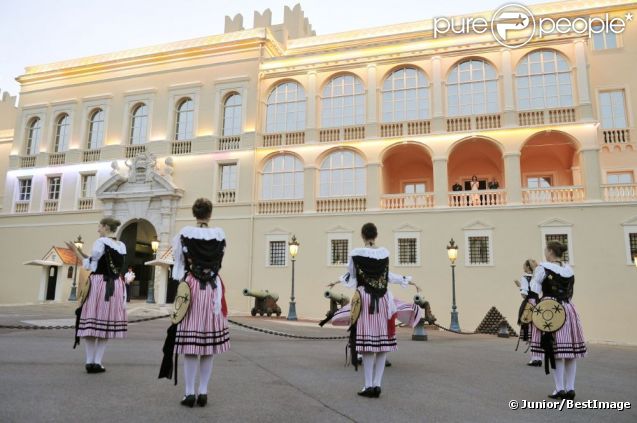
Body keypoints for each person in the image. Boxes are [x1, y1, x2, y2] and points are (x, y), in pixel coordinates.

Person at [336, 223, 417, 398]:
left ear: (362, 235)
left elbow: (352, 275)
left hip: (364, 298)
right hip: (383, 298)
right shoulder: (385, 254)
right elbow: (386, 276)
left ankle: (368, 385)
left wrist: (341, 280)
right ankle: (378, 385)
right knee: (382, 344)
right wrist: (405, 280)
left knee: (366, 346)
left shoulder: (355, 254)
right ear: (376, 235)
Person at [163, 198, 230, 408]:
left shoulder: (184, 234)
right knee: (208, 345)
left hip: (191, 287)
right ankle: (203, 392)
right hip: (212, 288)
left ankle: (189, 392)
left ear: (195, 213)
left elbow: (178, 267)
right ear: (209, 214)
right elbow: (219, 263)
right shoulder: (219, 235)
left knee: (191, 345)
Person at [66, 217, 127, 374]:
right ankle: (97, 362)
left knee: (92, 323)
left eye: (99, 226)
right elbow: (98, 261)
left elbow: (90, 265)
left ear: (106, 227)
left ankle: (89, 361)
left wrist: (75, 251)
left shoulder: (100, 242)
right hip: (115, 286)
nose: (98, 229)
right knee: (104, 325)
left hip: (99, 284)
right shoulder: (121, 246)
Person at [529, 241, 586, 400]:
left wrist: (535, 313)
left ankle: (559, 389)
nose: (545, 253)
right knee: (570, 352)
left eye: (546, 250)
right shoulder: (569, 270)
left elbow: (533, 292)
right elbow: (570, 293)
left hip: (550, 310)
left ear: (551, 251)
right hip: (568, 309)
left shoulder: (542, 268)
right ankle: (570, 388)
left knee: (555, 351)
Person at [514, 259, 542, 367]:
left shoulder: (525, 277)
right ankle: (539, 357)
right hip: (538, 304)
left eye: (524, 266)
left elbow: (524, 295)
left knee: (531, 330)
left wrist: (521, 287)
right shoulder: (537, 277)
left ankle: (534, 358)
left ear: (527, 267)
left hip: (529, 305)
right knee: (538, 330)